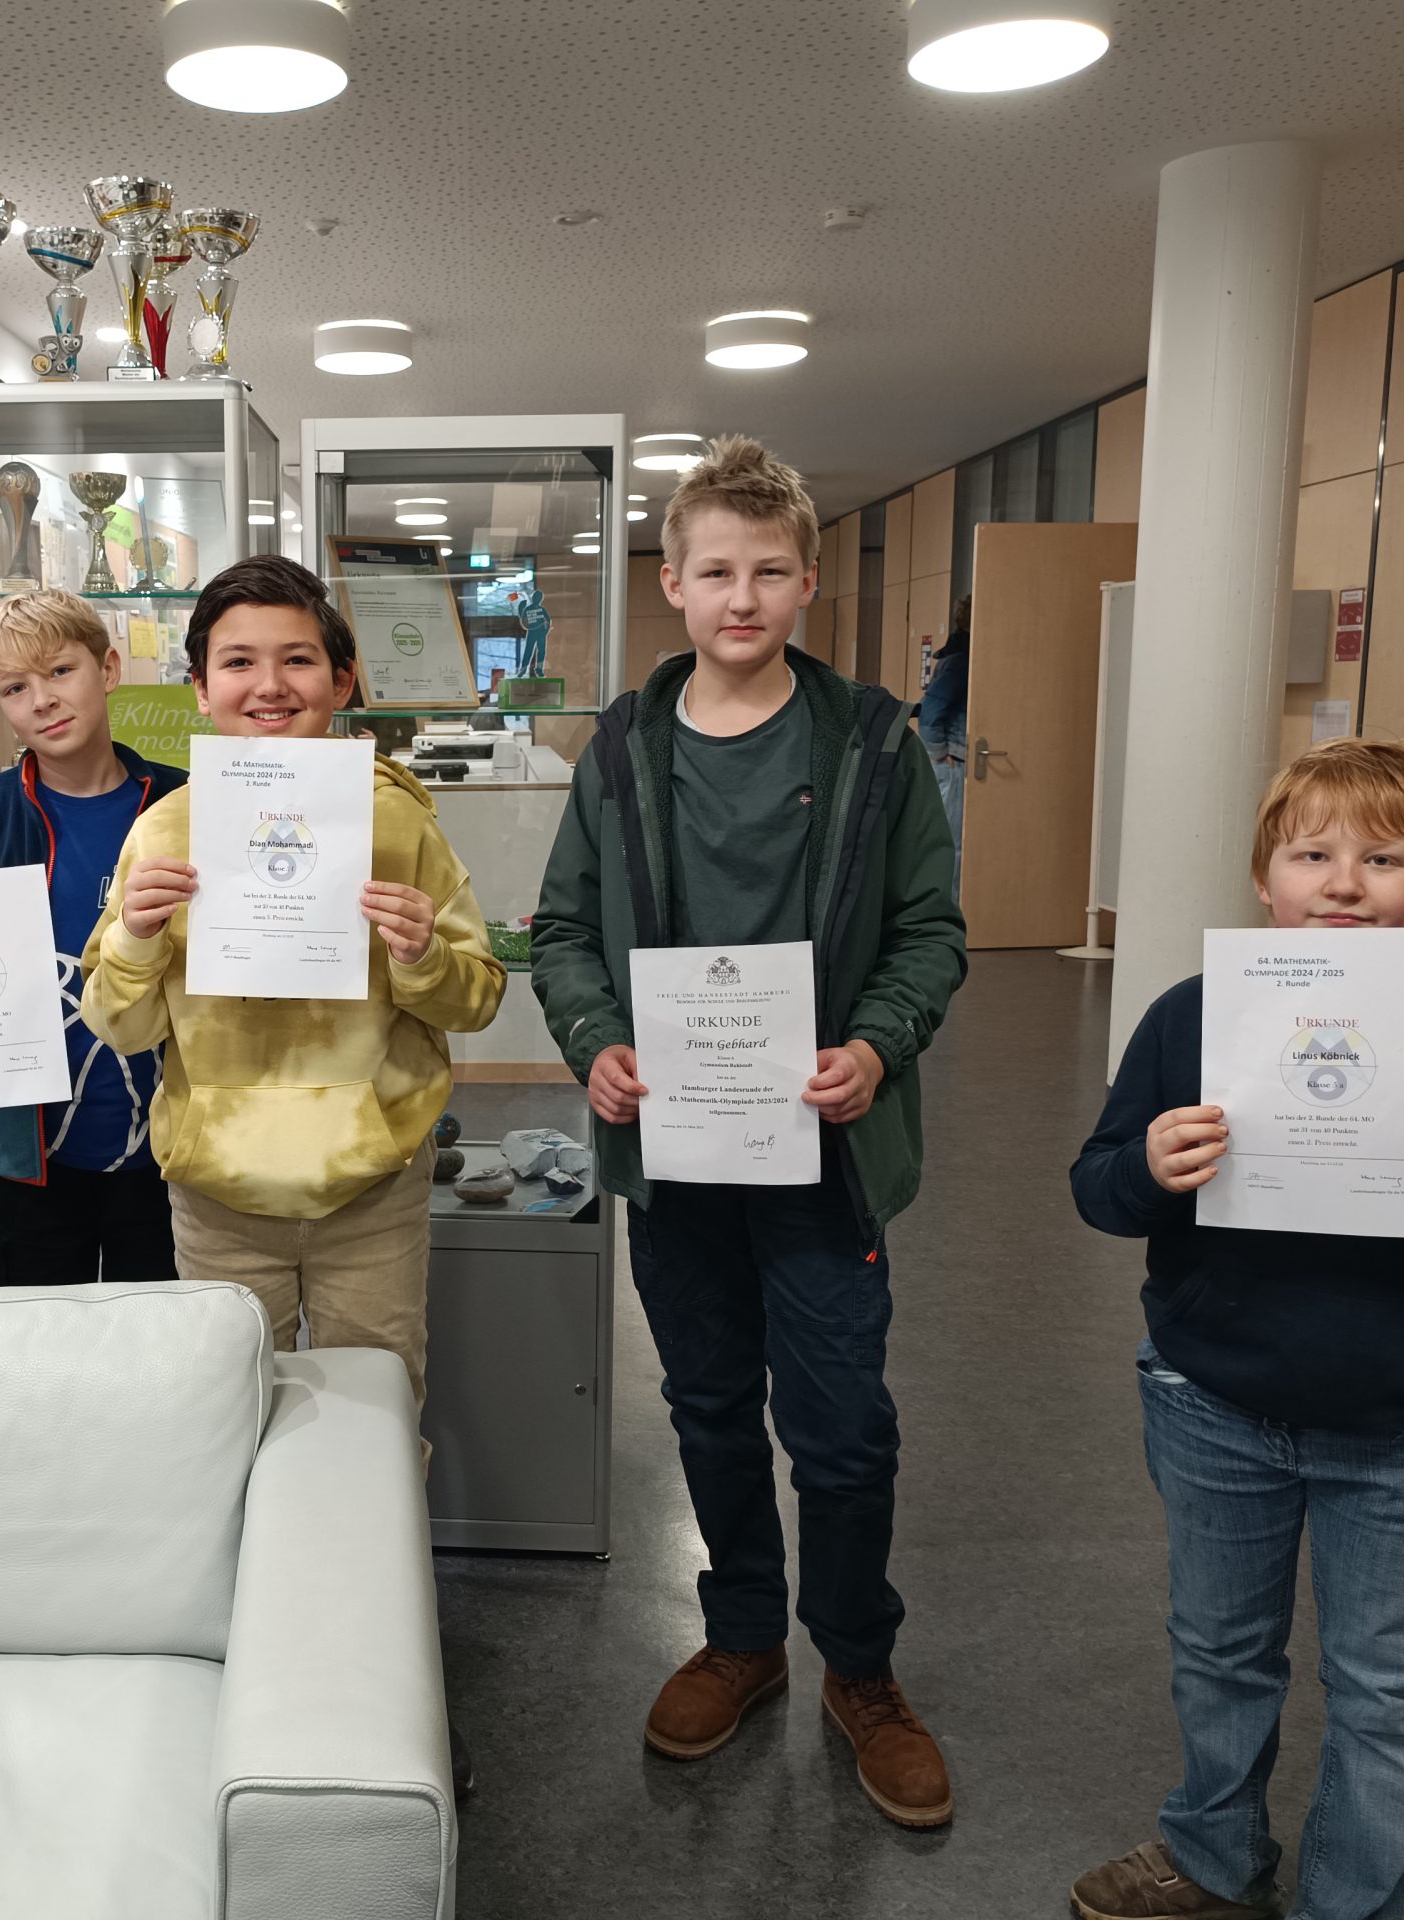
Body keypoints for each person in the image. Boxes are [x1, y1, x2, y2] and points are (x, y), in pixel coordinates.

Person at [1066, 738, 1404, 1920]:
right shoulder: (1191, 1018)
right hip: (1212, 1403)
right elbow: (1096, 1190)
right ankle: (1213, 1856)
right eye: (1311, 856)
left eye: (1383, 858)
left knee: (1390, 1691)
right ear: (1265, 880)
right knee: (1218, 1653)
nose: (1343, 883)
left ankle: (1350, 1903)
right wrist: (1146, 1166)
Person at [530, 436, 968, 1825]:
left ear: (807, 583)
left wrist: (875, 1046)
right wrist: (596, 1041)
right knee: (710, 1408)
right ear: (672, 584)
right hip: (678, 1160)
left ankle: (862, 1668)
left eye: (770, 572)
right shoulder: (621, 749)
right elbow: (559, 931)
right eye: (716, 571)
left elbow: (929, 932)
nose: (742, 597)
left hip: (824, 1158)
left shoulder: (877, 745)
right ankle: (740, 1639)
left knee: (841, 1429)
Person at [78, 554, 505, 1411]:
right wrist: (134, 938)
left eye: (298, 659)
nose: (270, 685)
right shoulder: (163, 832)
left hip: (372, 1186)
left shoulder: (398, 822)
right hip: (219, 1190)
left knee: (377, 1411)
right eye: (239, 661)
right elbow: (119, 1027)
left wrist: (422, 956)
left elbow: (479, 998)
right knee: (224, 1417)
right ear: (201, 689)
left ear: (342, 681)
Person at [0, 590, 184, 1284]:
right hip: (33, 1146)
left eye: (60, 672)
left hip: (168, 1142)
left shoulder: (179, 804)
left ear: (108, 670)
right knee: (39, 1336)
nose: (42, 700)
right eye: (15, 688)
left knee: (162, 1334)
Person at [920, 595, 971, 895]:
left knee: (950, 841)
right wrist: (941, 754)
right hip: (953, 760)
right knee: (954, 844)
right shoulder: (962, 661)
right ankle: (948, 907)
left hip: (951, 758)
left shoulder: (954, 654)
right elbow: (929, 716)